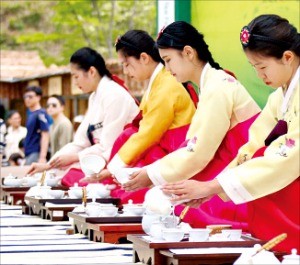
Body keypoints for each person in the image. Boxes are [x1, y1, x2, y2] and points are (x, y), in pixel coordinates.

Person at [162, 15, 299, 252]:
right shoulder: (280, 95)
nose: (259, 75)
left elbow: (289, 157)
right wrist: (216, 187)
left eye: (262, 66)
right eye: (254, 68)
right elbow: (253, 144)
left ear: (287, 57)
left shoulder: (219, 85)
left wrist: (213, 187)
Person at [121, 21, 261, 229]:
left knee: (175, 207)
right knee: (166, 201)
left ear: (188, 53)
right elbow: (194, 147)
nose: (167, 69)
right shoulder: (212, 84)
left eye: (168, 60)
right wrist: (151, 173)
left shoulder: (217, 87)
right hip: (226, 168)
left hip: (240, 173)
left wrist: (151, 174)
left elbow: (198, 152)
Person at [86, 30, 196, 203]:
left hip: (176, 152)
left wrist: (113, 168)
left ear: (144, 58)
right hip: (166, 148)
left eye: (127, 64)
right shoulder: (158, 82)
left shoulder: (165, 86)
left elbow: (147, 134)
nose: (125, 70)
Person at [27, 47, 139, 186]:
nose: (75, 82)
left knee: (73, 180)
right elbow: (80, 142)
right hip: (100, 161)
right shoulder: (94, 96)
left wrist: (76, 157)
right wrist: (49, 165)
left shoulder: (114, 95)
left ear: (91, 71)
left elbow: (108, 146)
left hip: (124, 164)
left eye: (76, 76)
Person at [23, 86, 51, 165]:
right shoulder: (31, 113)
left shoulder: (41, 113)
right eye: (25, 97)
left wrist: (42, 157)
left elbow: (45, 134)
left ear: (38, 97)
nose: (27, 99)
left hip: (35, 153)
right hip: (29, 152)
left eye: (30, 97)